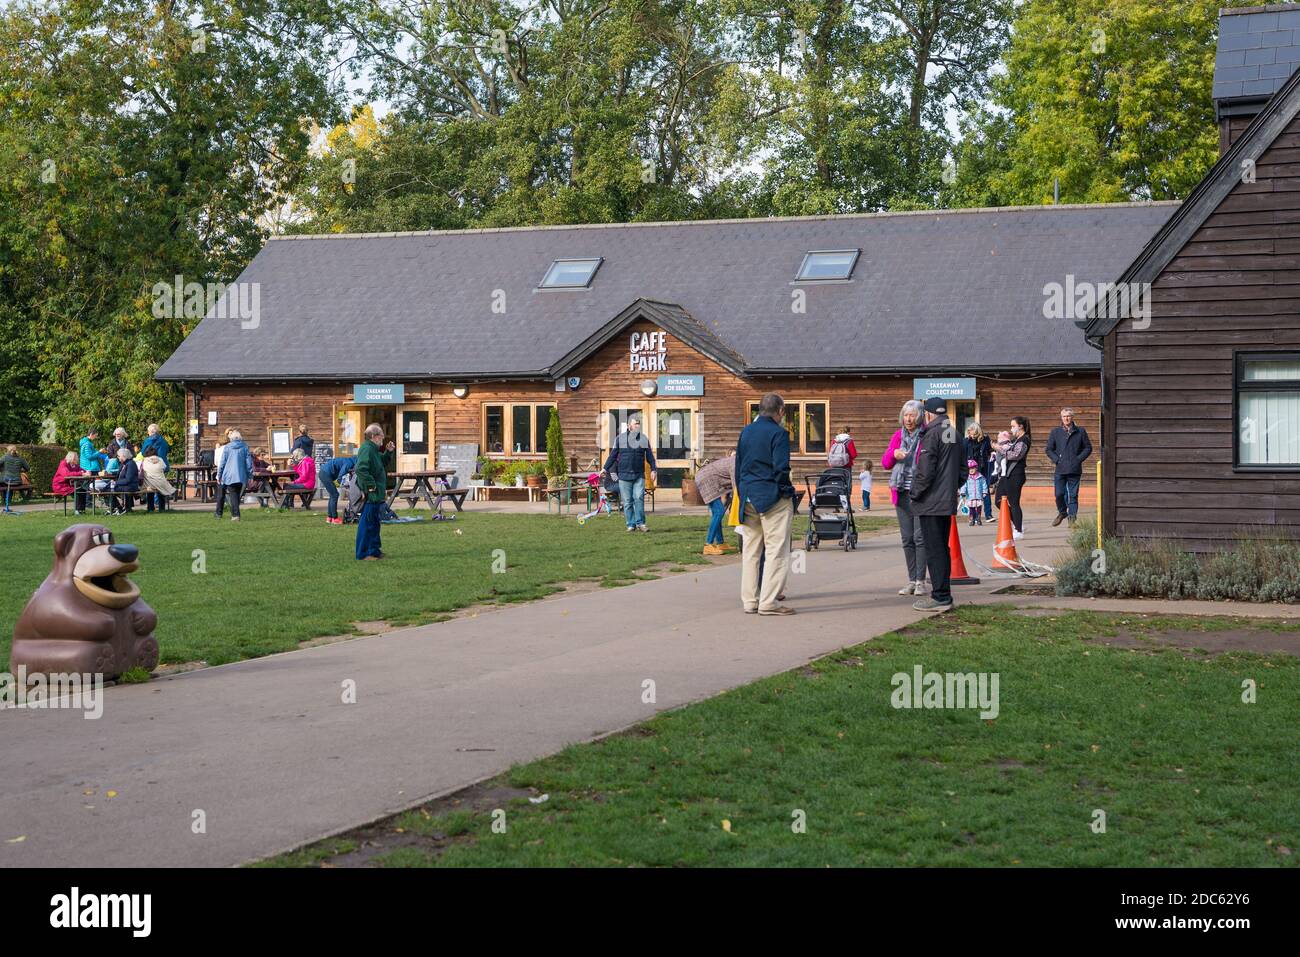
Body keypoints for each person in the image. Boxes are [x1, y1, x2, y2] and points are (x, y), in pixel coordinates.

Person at [735, 392, 796, 615]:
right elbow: (781, 468)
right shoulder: (779, 434)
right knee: (776, 551)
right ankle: (769, 602)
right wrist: (787, 492)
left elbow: (738, 466)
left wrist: (742, 493)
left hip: (748, 495)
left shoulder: (746, 431)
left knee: (751, 552)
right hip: (772, 497)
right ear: (780, 411)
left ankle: (750, 600)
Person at [908, 397, 963, 612]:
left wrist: (915, 493)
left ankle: (940, 596)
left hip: (930, 502)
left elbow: (925, 471)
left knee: (934, 550)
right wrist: (950, 487)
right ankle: (943, 592)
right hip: (946, 500)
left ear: (928, 415)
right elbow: (962, 470)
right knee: (942, 547)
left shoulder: (932, 434)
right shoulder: (954, 433)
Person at [883, 399, 927, 596]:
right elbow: (885, 463)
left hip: (920, 494)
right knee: (907, 539)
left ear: (919, 416)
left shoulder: (926, 436)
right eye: (906, 415)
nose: (909, 419)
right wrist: (894, 454)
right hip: (901, 492)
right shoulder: (896, 436)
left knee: (919, 538)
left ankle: (920, 581)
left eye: (913, 415)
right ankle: (911, 580)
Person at [602, 415, 657, 532]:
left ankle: (641, 523)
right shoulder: (620, 439)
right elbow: (612, 456)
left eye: (638, 424)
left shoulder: (643, 439)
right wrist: (604, 469)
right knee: (627, 502)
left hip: (639, 475)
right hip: (624, 476)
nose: (637, 425)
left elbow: (650, 456)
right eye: (635, 424)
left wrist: (653, 469)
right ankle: (630, 524)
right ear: (628, 426)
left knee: (639, 498)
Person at [1044, 407, 1093, 528]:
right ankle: (1062, 512)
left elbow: (1088, 448)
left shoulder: (1080, 431)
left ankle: (1072, 518)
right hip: (1060, 468)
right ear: (1061, 418)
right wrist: (1057, 460)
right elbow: (1049, 449)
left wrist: (1078, 459)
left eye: (1069, 416)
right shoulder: (1055, 432)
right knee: (1059, 494)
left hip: (1074, 469)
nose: (1066, 418)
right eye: (1064, 416)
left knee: (1073, 495)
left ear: (1072, 417)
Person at [354, 423, 387, 560]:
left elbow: (380, 464)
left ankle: (374, 551)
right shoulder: (367, 449)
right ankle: (363, 553)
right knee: (367, 524)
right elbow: (361, 469)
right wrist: (371, 485)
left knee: (374, 523)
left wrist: (388, 452)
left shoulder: (373, 449)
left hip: (376, 493)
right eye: (381, 436)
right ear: (374, 436)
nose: (383, 439)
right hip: (371, 494)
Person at [996, 417, 1031, 540]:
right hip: (1007, 474)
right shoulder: (1016, 440)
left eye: (1013, 426)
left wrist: (999, 449)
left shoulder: (1024, 440)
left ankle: (1018, 530)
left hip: (1016, 474)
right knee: (998, 501)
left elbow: (1016, 455)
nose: (1011, 429)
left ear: (1020, 426)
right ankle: (1018, 522)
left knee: (1014, 502)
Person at [695, 454, 735, 556]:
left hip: (710, 479)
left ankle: (720, 543)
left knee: (718, 513)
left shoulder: (737, 461)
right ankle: (708, 545)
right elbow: (736, 487)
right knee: (719, 511)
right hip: (706, 480)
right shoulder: (735, 463)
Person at [215, 429, 253, 521]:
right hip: (241, 475)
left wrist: (219, 475)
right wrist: (250, 475)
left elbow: (222, 463)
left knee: (233, 494)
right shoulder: (245, 447)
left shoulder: (227, 447)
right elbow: (249, 463)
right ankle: (235, 514)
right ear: (240, 438)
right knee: (235, 494)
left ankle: (235, 515)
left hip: (229, 475)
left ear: (231, 438)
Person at [964, 422, 993, 521]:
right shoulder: (966, 441)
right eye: (969, 432)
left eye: (972, 433)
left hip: (982, 469)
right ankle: (974, 516)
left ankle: (988, 514)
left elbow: (989, 451)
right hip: (970, 470)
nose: (970, 435)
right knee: (971, 491)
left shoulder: (985, 440)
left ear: (977, 432)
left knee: (985, 491)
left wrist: (992, 454)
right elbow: (962, 454)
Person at [319, 455, 356, 524]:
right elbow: (343, 471)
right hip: (325, 474)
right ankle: (335, 519)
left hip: (324, 473)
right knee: (335, 495)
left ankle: (329, 518)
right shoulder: (350, 462)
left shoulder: (350, 461)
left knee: (332, 495)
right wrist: (338, 481)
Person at [109, 447, 140, 515]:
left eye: (119, 456)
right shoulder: (123, 464)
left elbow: (128, 480)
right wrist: (109, 474)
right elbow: (120, 474)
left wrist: (116, 483)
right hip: (124, 485)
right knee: (105, 488)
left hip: (130, 486)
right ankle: (116, 508)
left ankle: (117, 508)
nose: (118, 457)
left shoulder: (131, 464)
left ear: (124, 456)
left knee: (109, 489)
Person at [2, 445, 30, 513]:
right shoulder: (21, 459)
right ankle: (8, 501)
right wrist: (19, 470)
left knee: (3, 483)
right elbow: (28, 468)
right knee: (8, 484)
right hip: (17, 481)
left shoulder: (5, 457)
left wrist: (3, 469)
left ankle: (5, 501)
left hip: (7, 481)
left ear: (8, 450)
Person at [963, 459, 988, 526]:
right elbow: (964, 485)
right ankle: (972, 519)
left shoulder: (980, 477)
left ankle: (978, 518)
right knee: (972, 509)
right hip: (970, 496)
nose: (971, 470)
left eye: (973, 468)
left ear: (976, 468)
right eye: (969, 469)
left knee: (979, 508)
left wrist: (984, 492)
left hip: (979, 495)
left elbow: (984, 484)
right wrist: (963, 492)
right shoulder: (967, 478)